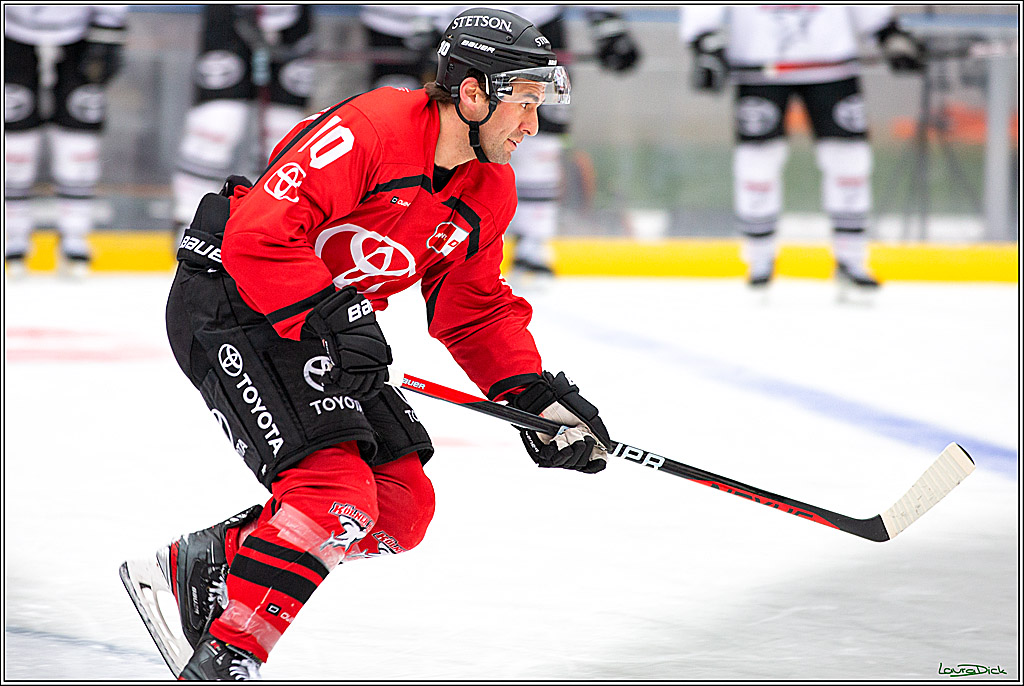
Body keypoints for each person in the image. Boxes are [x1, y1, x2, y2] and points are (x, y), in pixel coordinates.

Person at [120, 8, 611, 681]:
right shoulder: (373, 128)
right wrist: (336, 313)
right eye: (522, 103)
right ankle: (227, 657)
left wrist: (531, 394)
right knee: (335, 495)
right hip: (235, 300)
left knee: (402, 508)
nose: (532, 125)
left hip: (323, 323)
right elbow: (259, 236)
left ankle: (210, 560)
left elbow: (473, 310)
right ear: (472, 94)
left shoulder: (487, 187)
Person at [360, 5, 641, 280]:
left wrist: (606, 19)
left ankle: (534, 238)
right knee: (421, 124)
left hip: (530, 23)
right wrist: (428, 17)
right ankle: (399, 228)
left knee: (542, 130)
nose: (530, 127)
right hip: (423, 25)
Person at [680, 6, 924, 291]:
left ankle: (851, 258)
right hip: (759, 67)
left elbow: (872, 15)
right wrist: (704, 39)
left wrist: (888, 33)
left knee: (850, 161)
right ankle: (759, 259)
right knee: (758, 162)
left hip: (832, 67)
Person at [171, 5, 316, 240]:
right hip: (230, 17)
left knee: (284, 131)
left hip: (292, 21)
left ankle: (269, 224)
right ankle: (190, 222)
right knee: (217, 123)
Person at [4, 5, 127, 277]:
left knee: (79, 139)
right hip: (11, 29)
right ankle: (12, 235)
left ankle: (75, 235)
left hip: (81, 31)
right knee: (15, 139)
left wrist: (110, 26)